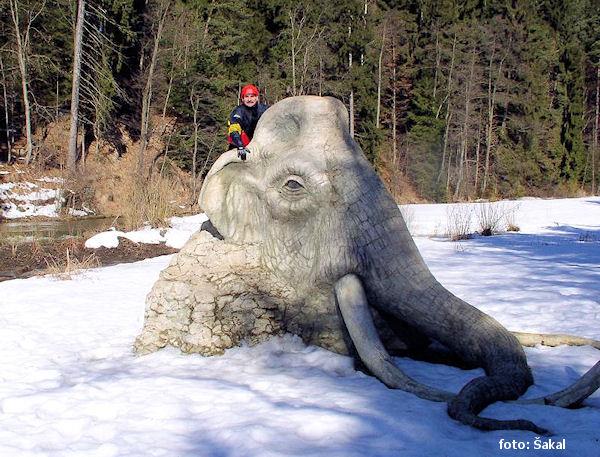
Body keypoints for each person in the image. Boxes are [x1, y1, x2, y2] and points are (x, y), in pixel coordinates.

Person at [227, 84, 268, 161]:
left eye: (252, 96)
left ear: (256, 97)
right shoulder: (238, 111)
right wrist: (240, 146)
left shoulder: (265, 109)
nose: (249, 99)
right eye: (246, 96)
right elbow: (233, 129)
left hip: (261, 144)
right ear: (242, 99)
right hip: (242, 145)